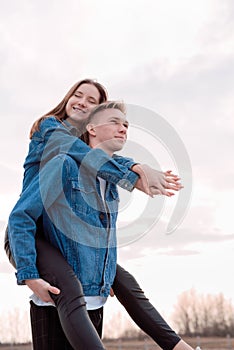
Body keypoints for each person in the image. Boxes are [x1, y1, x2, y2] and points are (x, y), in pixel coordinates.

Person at [6, 79, 193, 350]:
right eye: (77, 95)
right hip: (31, 233)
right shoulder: (52, 131)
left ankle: (180, 347)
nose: (82, 102)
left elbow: (98, 158)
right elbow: (83, 153)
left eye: (91, 101)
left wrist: (102, 275)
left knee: (124, 281)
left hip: (66, 243)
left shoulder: (95, 170)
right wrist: (134, 173)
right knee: (69, 286)